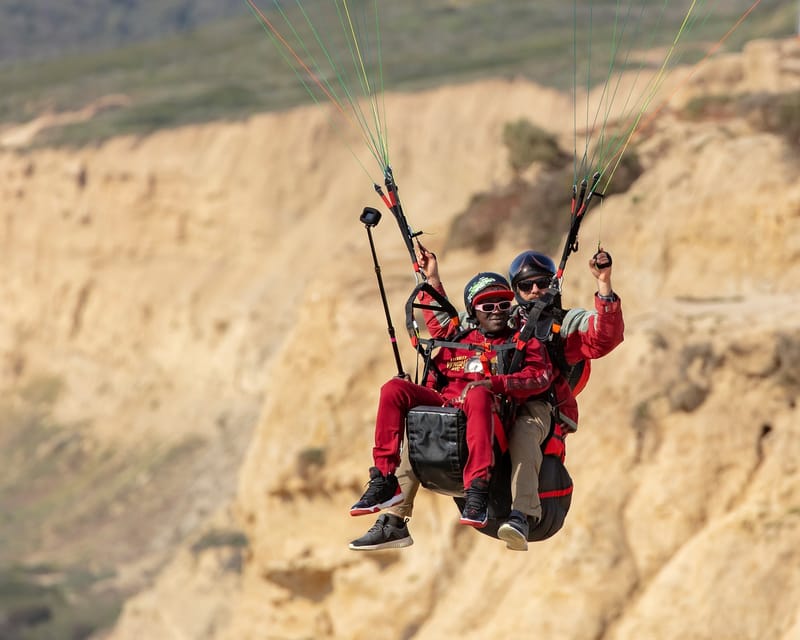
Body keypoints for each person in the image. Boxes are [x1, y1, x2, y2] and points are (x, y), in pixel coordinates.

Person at [349, 246, 624, 551]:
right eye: (525, 285)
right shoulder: (487, 323)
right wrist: (432, 279)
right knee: (424, 422)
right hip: (481, 402)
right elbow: (446, 329)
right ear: (514, 291)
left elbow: (602, 339)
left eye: (542, 283)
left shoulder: (555, 325)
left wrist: (604, 286)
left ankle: (522, 513)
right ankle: (392, 511)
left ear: (553, 285)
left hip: (534, 403)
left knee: (525, 433)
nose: (535, 290)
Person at [349, 271, 555, 536]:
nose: (497, 312)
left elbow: (540, 377)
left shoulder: (522, 343)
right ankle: (384, 479)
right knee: (394, 389)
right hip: (449, 410)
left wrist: (496, 384)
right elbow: (433, 382)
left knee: (477, 395)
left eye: (504, 305)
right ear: (474, 311)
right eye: (488, 306)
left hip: (491, 415)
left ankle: (477, 492)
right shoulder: (457, 344)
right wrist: (412, 388)